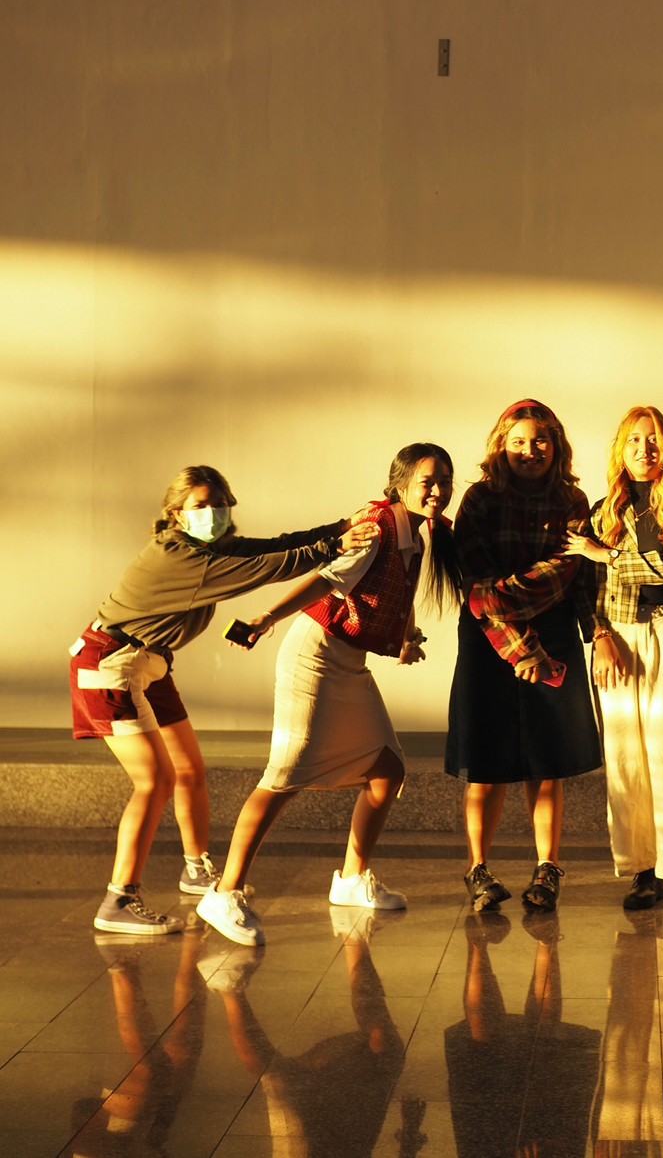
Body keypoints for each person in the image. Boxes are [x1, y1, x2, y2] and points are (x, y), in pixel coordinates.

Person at [71, 465, 370, 936]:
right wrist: (333, 547)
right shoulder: (177, 556)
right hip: (111, 663)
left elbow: (272, 546)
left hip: (150, 662)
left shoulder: (210, 548)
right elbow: (263, 569)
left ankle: (196, 869)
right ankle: (119, 900)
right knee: (155, 780)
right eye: (200, 505)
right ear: (176, 513)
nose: (212, 512)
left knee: (189, 770)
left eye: (219, 503)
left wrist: (338, 529)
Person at [197, 444, 463, 948]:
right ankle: (224, 892)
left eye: (445, 481)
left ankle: (351, 880)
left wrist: (407, 636)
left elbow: (398, 590)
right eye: (427, 481)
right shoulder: (377, 526)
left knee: (387, 770)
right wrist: (266, 618)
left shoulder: (416, 533)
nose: (438, 490)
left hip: (349, 663)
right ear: (400, 485)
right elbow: (324, 582)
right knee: (284, 774)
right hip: (315, 656)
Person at [444, 399, 602, 914]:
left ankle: (547, 869)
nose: (530, 450)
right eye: (518, 442)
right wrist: (522, 648)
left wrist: (527, 631)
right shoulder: (479, 499)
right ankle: (478, 871)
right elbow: (474, 581)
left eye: (539, 441)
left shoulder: (573, 500)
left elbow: (564, 571)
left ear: (556, 446)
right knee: (484, 764)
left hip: (551, 637)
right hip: (489, 642)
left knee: (547, 761)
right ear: (501, 446)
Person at [563, 405, 663, 917]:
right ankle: (644, 871)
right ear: (620, 448)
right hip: (615, 638)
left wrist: (606, 555)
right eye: (634, 440)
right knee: (626, 758)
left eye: (653, 439)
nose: (644, 448)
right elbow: (583, 587)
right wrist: (599, 635)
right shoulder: (602, 510)